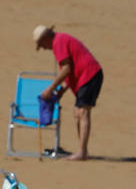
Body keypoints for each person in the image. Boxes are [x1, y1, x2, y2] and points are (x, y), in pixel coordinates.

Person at [33, 25, 103, 161]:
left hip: (89, 75)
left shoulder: (58, 41)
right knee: (78, 113)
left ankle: (82, 152)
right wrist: (62, 91)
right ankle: (82, 150)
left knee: (82, 112)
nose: (43, 48)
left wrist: (50, 89)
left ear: (46, 37)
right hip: (86, 77)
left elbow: (66, 69)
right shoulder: (60, 41)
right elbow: (70, 71)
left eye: (42, 44)